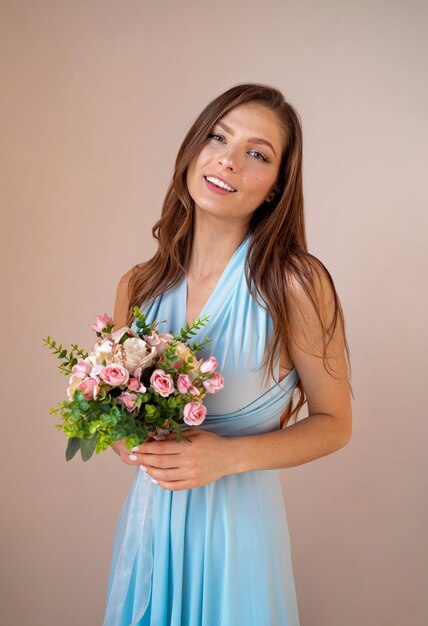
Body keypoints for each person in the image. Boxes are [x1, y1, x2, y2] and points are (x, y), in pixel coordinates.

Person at [102, 82, 353, 626]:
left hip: (235, 537)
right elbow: (116, 417)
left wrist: (227, 457)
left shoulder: (295, 285)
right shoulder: (138, 286)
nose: (228, 160)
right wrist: (126, 439)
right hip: (149, 525)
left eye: (256, 153)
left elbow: (336, 424)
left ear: (275, 188)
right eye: (218, 137)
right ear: (194, 149)